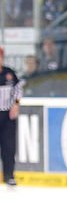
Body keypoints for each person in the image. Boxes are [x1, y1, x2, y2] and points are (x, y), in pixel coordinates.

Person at [0, 47, 22, 187]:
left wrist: (16, 104)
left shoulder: (9, 73)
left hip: (7, 116)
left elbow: (18, 88)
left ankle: (9, 175)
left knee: (8, 146)